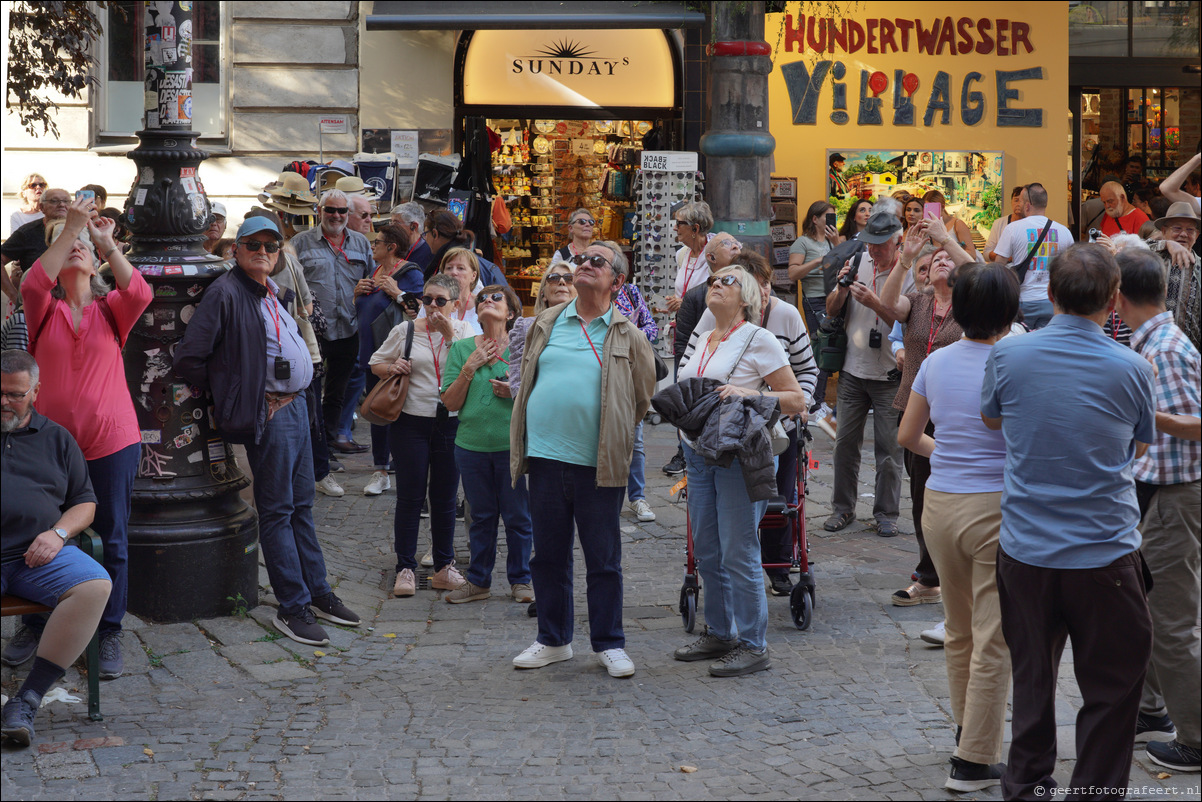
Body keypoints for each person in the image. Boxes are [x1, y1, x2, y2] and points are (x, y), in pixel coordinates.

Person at [981, 244, 1155, 799]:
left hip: (1027, 548)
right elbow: (1139, 440)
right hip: (1104, 551)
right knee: (1112, 688)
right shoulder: (1132, 366)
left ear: (1050, 295)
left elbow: (991, 418)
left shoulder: (1008, 356)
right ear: (1112, 302)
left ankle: (1027, 785)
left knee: (1032, 678)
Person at [175, 216, 360, 645]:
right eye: (253, 245)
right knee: (277, 511)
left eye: (271, 246)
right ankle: (292, 607)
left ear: (279, 254)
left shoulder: (271, 290)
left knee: (301, 506)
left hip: (296, 407)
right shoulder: (225, 293)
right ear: (236, 250)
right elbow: (191, 360)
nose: (263, 252)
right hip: (270, 413)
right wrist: (244, 395)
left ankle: (318, 593)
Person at [8, 197, 149, 680]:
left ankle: (108, 630)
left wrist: (105, 242)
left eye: (82, 248)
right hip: (48, 447)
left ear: (95, 263)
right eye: (67, 245)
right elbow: (30, 281)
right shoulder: (42, 307)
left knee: (112, 538)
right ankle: (37, 621)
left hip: (111, 443)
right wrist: (70, 229)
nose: (75, 251)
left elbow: (141, 291)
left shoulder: (113, 310)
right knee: (38, 533)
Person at [897, 264, 1019, 792]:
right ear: (1009, 312)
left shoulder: (938, 360)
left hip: (941, 503)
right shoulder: (1016, 359)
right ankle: (973, 758)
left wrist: (948, 453)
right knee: (994, 636)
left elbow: (909, 434)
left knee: (960, 628)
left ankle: (969, 732)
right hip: (996, 505)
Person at [509, 242, 655, 679]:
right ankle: (553, 640)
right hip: (546, 458)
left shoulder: (630, 334)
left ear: (617, 281)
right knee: (547, 556)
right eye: (583, 260)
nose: (586, 265)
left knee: (602, 557)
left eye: (598, 262)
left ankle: (609, 643)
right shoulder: (548, 322)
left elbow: (642, 397)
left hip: (599, 461)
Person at [671, 264, 806, 676]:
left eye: (726, 281)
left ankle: (753, 643)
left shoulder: (758, 338)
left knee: (738, 549)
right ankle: (719, 631)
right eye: (713, 279)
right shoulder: (704, 334)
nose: (715, 284)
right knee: (708, 549)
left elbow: (796, 399)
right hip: (697, 451)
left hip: (735, 454)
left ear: (746, 296)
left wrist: (749, 392)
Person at [1114, 249, 1201, 773]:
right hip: (1161, 494)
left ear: (1119, 298)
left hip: (1176, 496)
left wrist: (1146, 415)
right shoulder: (1155, 341)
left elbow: (1197, 423)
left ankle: (1194, 737)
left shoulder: (1163, 349)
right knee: (1149, 608)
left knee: (1171, 621)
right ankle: (1150, 712)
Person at [686, 251, 817, 596]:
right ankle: (721, 625)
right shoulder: (707, 326)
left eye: (764, 283)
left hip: (770, 432)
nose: (762, 290)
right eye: (715, 280)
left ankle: (776, 569)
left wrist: (792, 407)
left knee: (778, 503)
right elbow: (687, 369)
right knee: (713, 542)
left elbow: (804, 374)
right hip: (705, 445)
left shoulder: (779, 321)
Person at [0, 350, 111, 747]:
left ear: (35, 392)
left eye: (14, 394)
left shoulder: (57, 438)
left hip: (36, 553)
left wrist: (59, 534)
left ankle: (26, 699)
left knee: (95, 586)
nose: (4, 402)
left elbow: (85, 502)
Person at [881, 220, 975, 602]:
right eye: (933, 259)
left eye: (946, 259)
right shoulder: (918, 303)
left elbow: (982, 275)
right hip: (917, 410)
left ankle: (956, 570)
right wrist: (904, 260)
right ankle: (929, 577)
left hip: (957, 409)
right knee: (923, 495)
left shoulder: (971, 307)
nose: (939, 262)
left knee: (959, 491)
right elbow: (887, 304)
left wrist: (946, 241)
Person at [370, 274, 471, 599]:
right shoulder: (406, 330)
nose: (432, 307)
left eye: (440, 301)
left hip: (450, 423)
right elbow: (375, 363)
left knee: (443, 500)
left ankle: (444, 566)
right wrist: (393, 368)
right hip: (411, 423)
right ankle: (405, 568)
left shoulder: (466, 332)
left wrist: (449, 335)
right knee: (410, 497)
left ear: (456, 304)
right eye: (427, 300)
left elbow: (472, 367)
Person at [440, 284, 534, 605]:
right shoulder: (463, 348)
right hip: (472, 447)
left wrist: (515, 391)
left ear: (510, 313)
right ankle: (479, 580)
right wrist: (470, 367)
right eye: (482, 299)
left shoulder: (523, 347)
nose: (487, 301)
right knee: (480, 516)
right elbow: (450, 402)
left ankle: (521, 580)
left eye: (496, 298)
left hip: (512, 447)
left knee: (518, 516)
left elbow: (540, 393)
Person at [823, 209, 903, 536]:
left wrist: (874, 303)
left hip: (889, 375)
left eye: (880, 245)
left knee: (889, 451)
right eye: (870, 244)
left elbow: (906, 321)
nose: (874, 251)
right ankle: (842, 509)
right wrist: (841, 290)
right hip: (853, 370)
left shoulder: (908, 272)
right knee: (844, 445)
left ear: (897, 242)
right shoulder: (859, 262)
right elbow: (831, 310)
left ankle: (886, 514)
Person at [291, 189, 373, 452]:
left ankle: (327, 447)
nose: (336, 216)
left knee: (337, 394)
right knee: (310, 392)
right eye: (330, 210)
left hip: (349, 327)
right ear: (319, 211)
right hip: (312, 332)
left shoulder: (360, 243)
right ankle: (313, 450)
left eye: (341, 211)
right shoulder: (300, 243)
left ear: (348, 214)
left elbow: (371, 280)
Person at [665, 232, 744, 477]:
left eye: (736, 242)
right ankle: (684, 451)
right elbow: (683, 345)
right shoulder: (697, 295)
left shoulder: (753, 291)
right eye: (727, 244)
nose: (736, 245)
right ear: (711, 257)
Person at [357, 224, 425, 496]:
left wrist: (397, 292)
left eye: (378, 242)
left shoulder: (410, 273)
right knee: (377, 409)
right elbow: (366, 309)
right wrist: (357, 293)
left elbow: (418, 310)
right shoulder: (375, 271)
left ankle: (403, 467)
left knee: (396, 409)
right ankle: (380, 469)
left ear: (391, 247)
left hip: (394, 354)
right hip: (371, 352)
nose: (373, 246)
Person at [612, 258, 659, 524]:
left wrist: (628, 332)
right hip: (599, 374)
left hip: (630, 374)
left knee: (636, 438)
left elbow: (651, 329)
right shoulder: (587, 299)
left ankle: (637, 497)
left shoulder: (631, 293)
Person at [990, 183, 1074, 330]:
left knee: (1020, 343)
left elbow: (998, 267)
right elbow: (1072, 269)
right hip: (1052, 302)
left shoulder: (1012, 229)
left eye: (1021, 201)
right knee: (1046, 346)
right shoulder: (1064, 231)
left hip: (1023, 302)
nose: (1019, 205)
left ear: (1027, 205)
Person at [787, 201, 839, 420]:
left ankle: (819, 401)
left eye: (833, 217)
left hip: (835, 297)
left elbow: (844, 263)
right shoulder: (803, 243)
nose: (830, 221)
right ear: (814, 219)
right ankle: (814, 403)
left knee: (832, 348)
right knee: (822, 350)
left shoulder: (832, 241)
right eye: (827, 216)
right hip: (815, 300)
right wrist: (817, 261)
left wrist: (836, 243)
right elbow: (793, 274)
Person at [508, 259, 577, 396]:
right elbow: (517, 376)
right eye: (553, 278)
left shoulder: (590, 327)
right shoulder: (525, 327)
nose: (562, 282)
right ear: (543, 294)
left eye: (569, 278)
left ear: (578, 291)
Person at [1147, 201, 1200, 349]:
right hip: (1151, 350)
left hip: (1190, 353)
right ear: (1164, 231)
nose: (1183, 234)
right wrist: (1166, 244)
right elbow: (1126, 250)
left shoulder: (1199, 267)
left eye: (1190, 230)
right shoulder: (1150, 258)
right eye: (1177, 228)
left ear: (1196, 235)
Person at [2, 187, 72, 276]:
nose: (62, 204)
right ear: (42, 207)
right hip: (38, 288)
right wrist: (10, 290)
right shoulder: (27, 232)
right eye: (54, 201)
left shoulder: (81, 229)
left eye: (66, 201)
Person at [666, 201, 715, 315]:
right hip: (685, 325)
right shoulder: (682, 254)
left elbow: (722, 296)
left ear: (695, 228)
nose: (674, 228)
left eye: (678, 223)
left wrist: (685, 304)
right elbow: (685, 290)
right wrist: (673, 302)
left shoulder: (716, 256)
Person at [921, 190, 979, 261]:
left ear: (942, 207)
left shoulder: (957, 224)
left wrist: (949, 252)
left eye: (933, 209)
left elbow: (972, 255)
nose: (929, 213)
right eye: (926, 209)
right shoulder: (927, 227)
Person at [391, 202, 433, 273]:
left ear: (413, 226)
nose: (391, 227)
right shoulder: (393, 248)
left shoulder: (430, 253)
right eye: (391, 222)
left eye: (396, 223)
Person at [983, 187, 1025, 260]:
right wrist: (1002, 255)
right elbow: (986, 254)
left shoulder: (1033, 224)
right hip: (1003, 269)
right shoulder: (999, 223)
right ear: (1011, 202)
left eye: (1022, 201)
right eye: (1016, 200)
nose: (1018, 204)